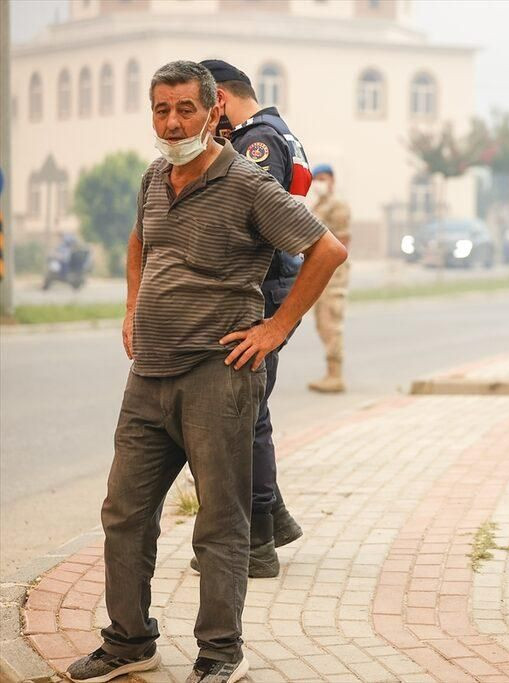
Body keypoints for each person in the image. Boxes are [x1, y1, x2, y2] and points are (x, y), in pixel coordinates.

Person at [65, 61, 346, 683]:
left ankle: (220, 654)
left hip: (217, 377)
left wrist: (274, 331)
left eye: (184, 109)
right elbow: (141, 242)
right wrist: (132, 306)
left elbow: (326, 250)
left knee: (220, 521)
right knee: (124, 512)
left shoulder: (247, 182)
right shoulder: (154, 177)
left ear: (214, 111)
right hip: (149, 377)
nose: (172, 122)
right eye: (161, 110)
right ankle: (129, 641)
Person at [195, 59, 311, 577]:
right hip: (269, 287)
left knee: (245, 418)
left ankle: (256, 543)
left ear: (218, 98)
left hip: (260, 293)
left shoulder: (257, 144)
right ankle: (274, 520)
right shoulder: (269, 133)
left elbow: (245, 223)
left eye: (197, 105)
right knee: (251, 409)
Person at [305, 163, 352, 393]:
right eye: (316, 178)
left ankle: (336, 375)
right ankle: (330, 373)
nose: (319, 183)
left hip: (334, 274)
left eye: (323, 178)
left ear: (332, 180)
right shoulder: (319, 205)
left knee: (331, 321)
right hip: (319, 270)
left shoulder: (337, 205)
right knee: (322, 322)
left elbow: (343, 241)